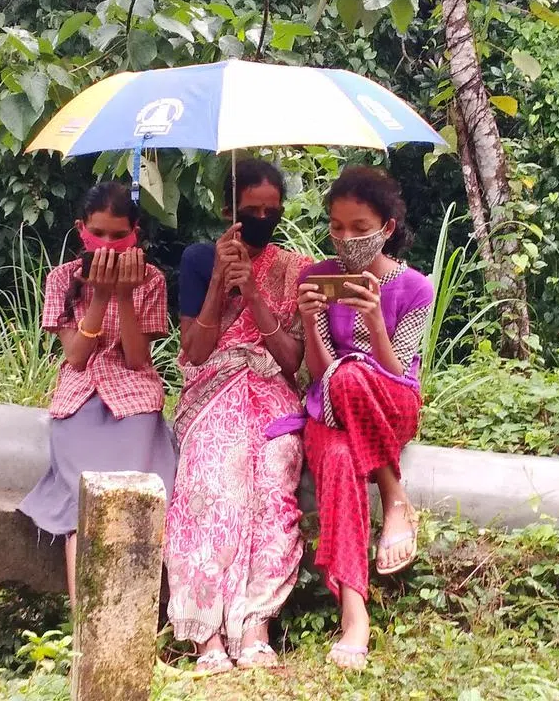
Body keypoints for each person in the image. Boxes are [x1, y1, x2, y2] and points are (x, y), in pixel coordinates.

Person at [270, 166, 434, 670]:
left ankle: (390, 492)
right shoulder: (316, 277)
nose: (346, 239)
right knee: (337, 455)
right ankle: (354, 612)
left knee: (354, 374)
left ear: (386, 227)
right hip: (329, 409)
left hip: (390, 404)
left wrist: (371, 320)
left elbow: (399, 375)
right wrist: (313, 321)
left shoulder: (413, 288)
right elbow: (318, 374)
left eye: (360, 229)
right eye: (337, 227)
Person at [164, 159, 311, 674]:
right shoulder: (201, 257)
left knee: (274, 481)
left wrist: (252, 292)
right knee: (210, 481)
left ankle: (255, 623)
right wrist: (219, 285)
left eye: (272, 211)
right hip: (213, 388)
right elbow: (195, 351)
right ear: (229, 209)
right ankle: (205, 632)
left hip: (271, 391)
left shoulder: (295, 269)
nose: (263, 219)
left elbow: (292, 362)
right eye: (253, 210)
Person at [19, 181, 177, 604]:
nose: (107, 242)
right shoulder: (60, 280)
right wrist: (99, 295)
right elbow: (75, 356)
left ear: (135, 234)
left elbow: (137, 359)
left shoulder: (152, 281)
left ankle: (137, 613)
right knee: (83, 505)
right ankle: (83, 616)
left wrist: (123, 295)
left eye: (118, 235)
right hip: (79, 400)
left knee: (137, 496)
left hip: (134, 401)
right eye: (99, 233)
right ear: (81, 230)